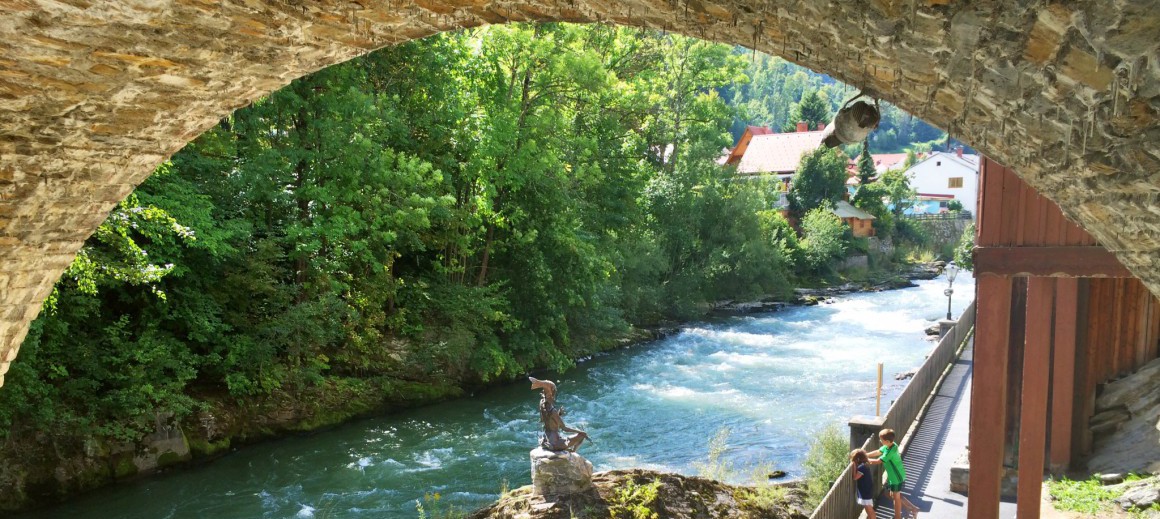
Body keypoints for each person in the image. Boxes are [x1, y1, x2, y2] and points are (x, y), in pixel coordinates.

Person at [866, 428, 919, 519]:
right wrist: (865, 454)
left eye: (881, 440)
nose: (880, 441)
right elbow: (878, 452)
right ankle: (913, 508)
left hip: (896, 477)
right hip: (893, 476)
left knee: (896, 498)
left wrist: (865, 460)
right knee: (889, 494)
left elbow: (878, 461)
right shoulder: (890, 445)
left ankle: (898, 517)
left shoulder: (890, 451)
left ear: (886, 441)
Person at [529, 377, 588, 452]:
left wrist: (558, 414)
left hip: (546, 438)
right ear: (552, 395)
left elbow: (544, 419)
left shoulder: (541, 404)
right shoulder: (553, 411)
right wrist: (580, 432)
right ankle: (573, 452)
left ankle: (551, 445)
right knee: (582, 435)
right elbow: (564, 428)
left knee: (568, 437)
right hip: (555, 443)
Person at [850, 448, 876, 519]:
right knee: (868, 510)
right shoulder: (864, 465)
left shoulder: (862, 467)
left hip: (866, 491)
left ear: (857, 458)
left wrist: (854, 465)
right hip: (866, 490)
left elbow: (855, 477)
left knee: (870, 510)